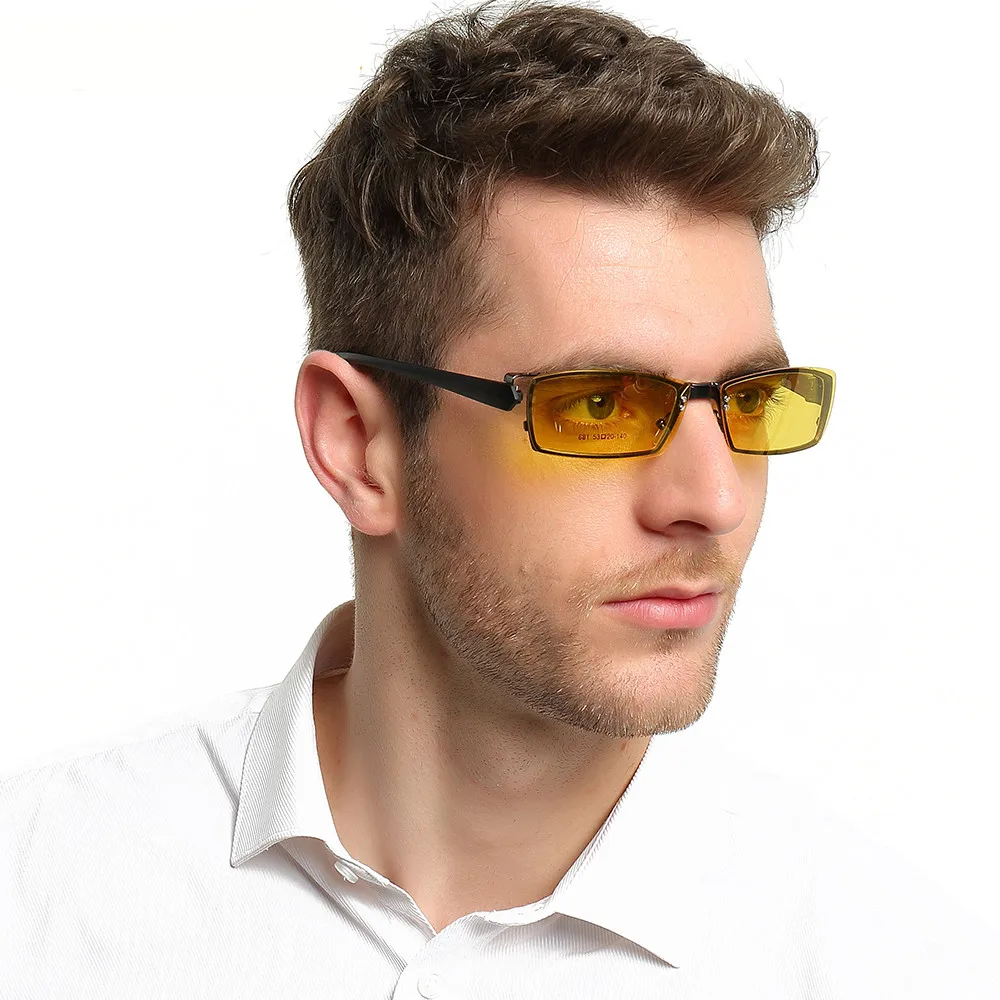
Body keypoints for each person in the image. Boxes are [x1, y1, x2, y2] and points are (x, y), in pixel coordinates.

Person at [1, 2, 996, 997]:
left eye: (747, 401)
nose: (712, 498)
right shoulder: (37, 894)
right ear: (357, 445)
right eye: (599, 405)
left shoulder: (889, 967)